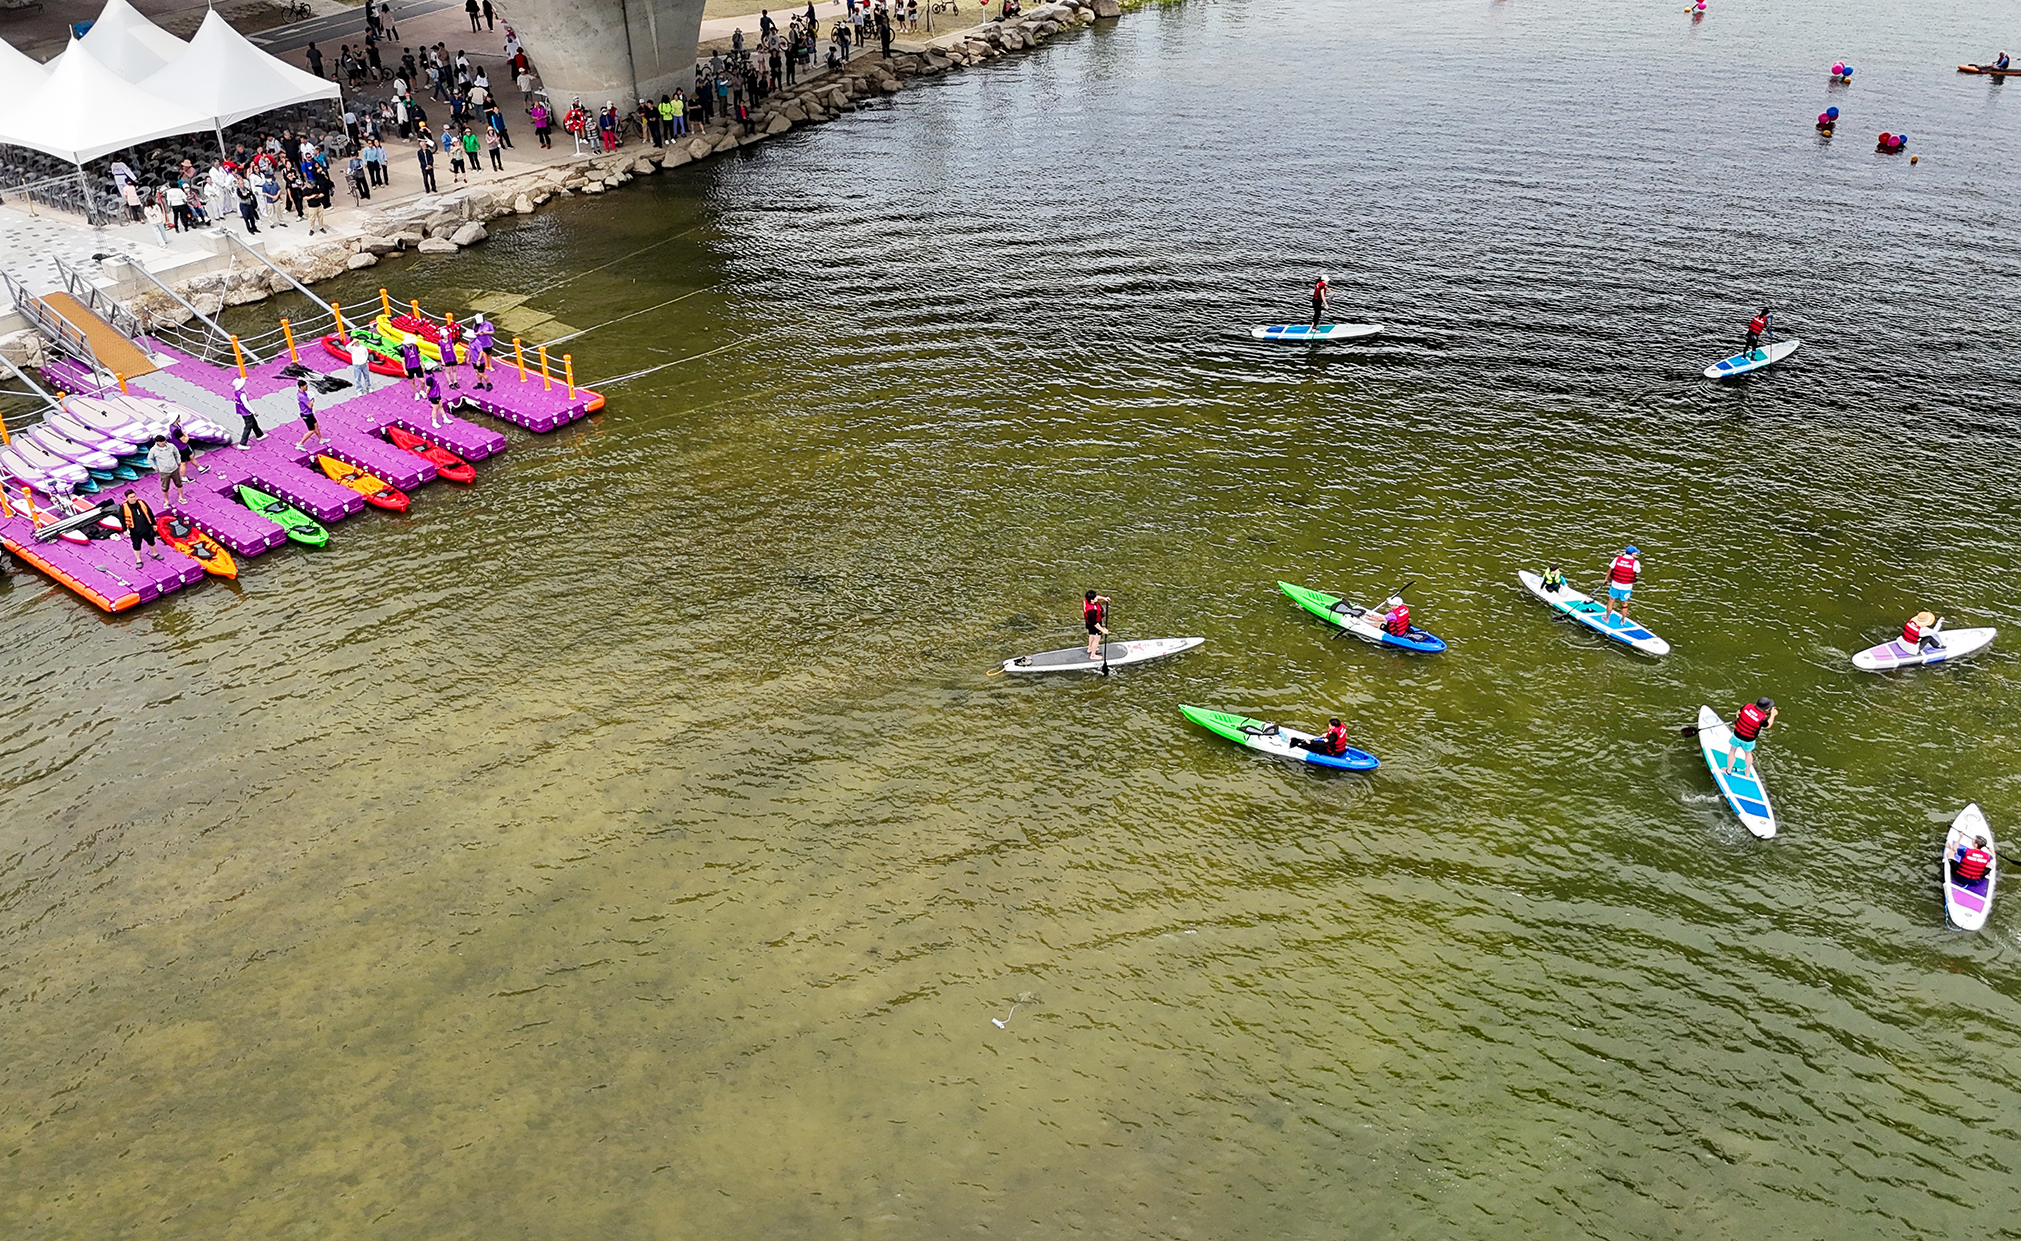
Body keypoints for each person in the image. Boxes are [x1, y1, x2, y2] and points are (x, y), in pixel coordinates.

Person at [1727, 697, 1777, 777]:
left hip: (1737, 735)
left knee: (1732, 751)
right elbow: (1768, 725)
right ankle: (1747, 772)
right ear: (1766, 709)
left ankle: (1728, 770)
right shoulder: (1762, 718)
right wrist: (1773, 715)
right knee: (1748, 753)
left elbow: (1738, 712)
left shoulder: (1747, 706)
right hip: (1748, 739)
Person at [119, 489, 160, 568]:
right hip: (134, 530)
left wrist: (154, 524)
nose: (133, 498)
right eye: (131, 497)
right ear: (127, 498)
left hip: (146, 527)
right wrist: (124, 530)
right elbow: (122, 519)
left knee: (151, 541)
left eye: (134, 496)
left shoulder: (142, 503)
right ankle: (138, 559)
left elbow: (149, 512)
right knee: (136, 545)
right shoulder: (123, 507)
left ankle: (155, 553)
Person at [1604, 545, 1639, 621]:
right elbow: (1637, 571)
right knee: (1624, 603)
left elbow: (1610, 569)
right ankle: (1623, 620)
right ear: (1632, 554)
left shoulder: (1617, 559)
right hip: (1627, 587)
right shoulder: (1635, 563)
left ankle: (1607, 618)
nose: (1636, 555)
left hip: (1615, 584)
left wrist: (1606, 579)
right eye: (1635, 553)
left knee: (1611, 600)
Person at [148, 435, 184, 504]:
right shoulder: (153, 450)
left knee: (179, 483)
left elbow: (176, 453)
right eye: (161, 442)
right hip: (164, 471)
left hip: (174, 468)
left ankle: (180, 497)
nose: (163, 443)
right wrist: (155, 467)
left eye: (163, 441)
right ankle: (166, 501)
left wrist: (178, 461)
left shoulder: (171, 446)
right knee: (165, 487)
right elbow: (150, 458)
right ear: (157, 442)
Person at [294, 379, 327, 449]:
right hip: (306, 415)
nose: (307, 387)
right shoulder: (302, 396)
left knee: (316, 425)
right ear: (301, 387)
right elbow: (310, 406)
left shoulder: (302, 393)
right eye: (305, 386)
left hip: (309, 413)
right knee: (311, 430)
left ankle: (321, 439)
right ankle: (301, 443)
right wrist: (312, 400)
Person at [233, 377, 264, 448]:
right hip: (246, 412)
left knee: (254, 423)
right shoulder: (242, 395)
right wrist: (253, 412)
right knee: (248, 426)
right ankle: (242, 443)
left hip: (241, 411)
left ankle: (259, 434)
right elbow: (246, 404)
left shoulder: (236, 393)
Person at [1082, 590, 1110, 660]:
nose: (1096, 599)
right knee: (1097, 638)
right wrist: (1103, 630)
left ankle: (1090, 648)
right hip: (1093, 623)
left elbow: (1096, 597)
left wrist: (1104, 598)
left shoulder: (1086, 600)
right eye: (1094, 598)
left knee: (1091, 634)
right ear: (1091, 600)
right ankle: (1093, 655)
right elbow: (1095, 624)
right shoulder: (1091, 611)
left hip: (1088, 622)